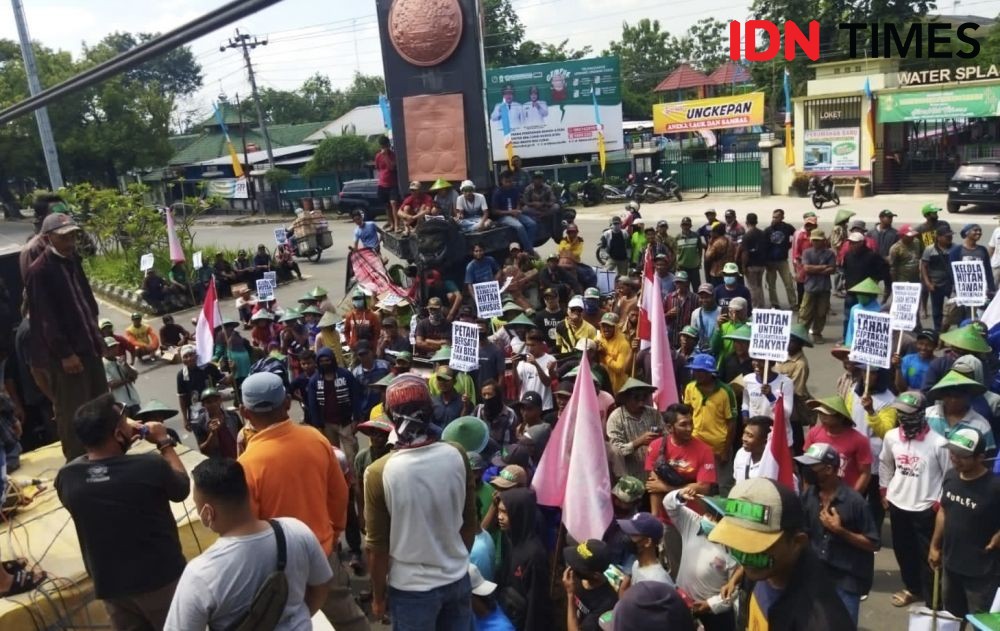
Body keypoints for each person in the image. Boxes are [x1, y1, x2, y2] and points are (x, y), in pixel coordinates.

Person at [237, 372, 369, 630]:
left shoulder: (247, 464)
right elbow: (340, 494)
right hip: (322, 550)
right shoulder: (316, 439)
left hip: (279, 567)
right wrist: (333, 533)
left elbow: (250, 528)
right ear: (287, 403)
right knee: (348, 619)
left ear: (244, 412)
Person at [56, 393, 189, 630]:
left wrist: (121, 437)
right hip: (160, 581)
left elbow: (101, 471)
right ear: (117, 434)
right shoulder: (150, 466)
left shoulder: (67, 478)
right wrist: (164, 441)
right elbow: (181, 488)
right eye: (124, 423)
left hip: (111, 587)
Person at [164, 458, 332, 630]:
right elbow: (321, 587)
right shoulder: (296, 530)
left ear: (208, 513)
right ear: (247, 493)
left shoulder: (200, 574)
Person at [365, 374, 478, 628]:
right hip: (457, 580)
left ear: (391, 417)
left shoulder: (378, 472)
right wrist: (452, 562)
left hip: (411, 592)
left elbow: (377, 549)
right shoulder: (457, 454)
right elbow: (469, 524)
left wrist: (378, 596)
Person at [708, 477, 854, 629]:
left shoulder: (822, 623)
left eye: (756, 546)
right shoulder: (760, 569)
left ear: (797, 542)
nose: (744, 556)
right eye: (738, 540)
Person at [25, 213, 108, 461]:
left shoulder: (73, 260)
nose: (70, 241)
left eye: (72, 235)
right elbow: (45, 318)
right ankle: (77, 461)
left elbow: (86, 304)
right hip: (68, 355)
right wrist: (65, 353)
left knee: (101, 403)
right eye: (64, 237)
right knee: (74, 410)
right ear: (49, 238)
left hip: (89, 346)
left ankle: (108, 452)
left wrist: (98, 338)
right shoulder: (39, 270)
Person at [879, 391, 951, 609]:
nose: (903, 417)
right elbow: (885, 463)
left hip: (925, 507)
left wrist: (938, 503)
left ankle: (933, 600)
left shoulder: (939, 443)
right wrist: (885, 490)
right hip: (898, 503)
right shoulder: (892, 437)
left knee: (928, 556)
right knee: (903, 550)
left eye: (908, 413)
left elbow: (949, 475)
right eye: (900, 412)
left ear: (921, 414)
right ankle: (912, 588)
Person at [796, 443, 880, 626]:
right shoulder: (809, 496)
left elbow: (873, 543)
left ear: (828, 469)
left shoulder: (855, 503)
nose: (807, 470)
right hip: (816, 575)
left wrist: (841, 531)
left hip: (847, 580)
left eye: (812, 466)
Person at [930, 428, 1000, 621]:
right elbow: (944, 511)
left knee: (981, 622)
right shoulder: (951, 476)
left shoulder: (995, 487)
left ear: (980, 457)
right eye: (953, 452)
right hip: (950, 566)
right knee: (951, 618)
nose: (955, 458)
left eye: (963, 455)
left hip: (981, 575)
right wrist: (935, 546)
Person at [644, 403, 716, 578]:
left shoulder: (704, 450)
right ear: (669, 428)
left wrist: (667, 488)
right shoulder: (655, 447)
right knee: (675, 566)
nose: (689, 428)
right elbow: (654, 485)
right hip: (667, 521)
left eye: (690, 423)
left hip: (695, 518)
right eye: (683, 424)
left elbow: (704, 487)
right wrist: (655, 518)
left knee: (698, 567)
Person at [661, 490, 738, 631]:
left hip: (714, 615)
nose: (707, 517)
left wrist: (710, 604)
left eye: (714, 516)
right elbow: (668, 503)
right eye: (708, 512)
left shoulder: (733, 549)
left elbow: (734, 590)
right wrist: (680, 494)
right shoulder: (694, 522)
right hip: (684, 603)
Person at [683, 353, 737, 489]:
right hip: (695, 443)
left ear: (710, 373)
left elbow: (732, 422)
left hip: (718, 448)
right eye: (695, 371)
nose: (696, 374)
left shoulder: (726, 392)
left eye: (701, 371)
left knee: (722, 484)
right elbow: (687, 413)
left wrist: (725, 450)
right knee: (697, 481)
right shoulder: (690, 387)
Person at [804, 396, 873, 493]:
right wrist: (807, 493)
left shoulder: (859, 440)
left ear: (840, 417)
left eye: (827, 413)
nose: (822, 416)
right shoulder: (813, 433)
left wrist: (853, 497)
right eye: (820, 412)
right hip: (818, 493)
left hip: (846, 493)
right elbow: (807, 466)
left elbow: (865, 473)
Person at [606, 378, 661, 480]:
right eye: (636, 398)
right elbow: (616, 452)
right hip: (630, 477)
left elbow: (666, 437)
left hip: (655, 474)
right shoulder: (616, 417)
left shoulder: (653, 414)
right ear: (625, 399)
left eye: (643, 398)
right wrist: (639, 442)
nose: (641, 403)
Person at [561, 539, 618, 631]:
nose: (573, 567)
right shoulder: (576, 579)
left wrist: (570, 595)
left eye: (580, 566)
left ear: (595, 575)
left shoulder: (607, 603)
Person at [742, 358, 795, 445]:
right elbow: (746, 401)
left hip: (778, 436)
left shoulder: (785, 383)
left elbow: (786, 414)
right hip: (756, 437)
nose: (757, 364)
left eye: (762, 361)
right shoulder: (747, 380)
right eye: (754, 360)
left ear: (772, 363)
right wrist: (745, 413)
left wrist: (770, 396)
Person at [176, 345, 227, 431]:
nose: (189, 359)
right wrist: (185, 419)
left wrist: (234, 370)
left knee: (221, 434)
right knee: (203, 439)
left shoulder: (209, 367)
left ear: (196, 355)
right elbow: (182, 398)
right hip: (196, 414)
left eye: (191, 355)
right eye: (185, 357)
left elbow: (224, 381)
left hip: (214, 409)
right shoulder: (181, 375)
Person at [800, 229, 837, 344]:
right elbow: (806, 268)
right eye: (814, 240)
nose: (816, 242)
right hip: (810, 287)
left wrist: (814, 269)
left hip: (824, 288)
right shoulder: (807, 252)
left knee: (821, 313)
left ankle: (817, 333)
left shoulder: (829, 253)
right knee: (805, 312)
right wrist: (822, 267)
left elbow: (832, 269)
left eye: (818, 240)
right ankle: (801, 334)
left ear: (823, 241)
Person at [491, 171, 536, 255]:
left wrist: (517, 211)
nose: (509, 184)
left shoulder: (514, 189)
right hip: (503, 217)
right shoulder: (497, 193)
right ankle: (530, 251)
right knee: (519, 227)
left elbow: (518, 202)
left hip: (515, 213)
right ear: (502, 181)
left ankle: (528, 248)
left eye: (511, 181)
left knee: (532, 224)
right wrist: (510, 212)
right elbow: (494, 211)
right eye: (507, 182)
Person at [191, 387, 242, 459]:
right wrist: (212, 434)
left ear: (220, 400)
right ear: (203, 404)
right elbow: (203, 450)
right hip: (219, 464)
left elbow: (242, 437)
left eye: (216, 400)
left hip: (238, 457)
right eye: (209, 402)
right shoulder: (200, 423)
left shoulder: (233, 416)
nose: (213, 404)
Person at [920, 227, 955, 331]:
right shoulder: (929, 249)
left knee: (956, 309)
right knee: (936, 312)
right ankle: (937, 332)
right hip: (936, 285)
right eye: (947, 236)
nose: (950, 238)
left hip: (952, 285)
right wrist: (927, 283)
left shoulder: (956, 248)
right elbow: (924, 266)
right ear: (938, 237)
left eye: (951, 235)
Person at [762, 209, 798, 309]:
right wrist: (765, 262)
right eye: (773, 217)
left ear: (782, 217)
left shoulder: (787, 227)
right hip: (770, 262)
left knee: (788, 283)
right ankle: (775, 303)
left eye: (777, 217)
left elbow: (796, 235)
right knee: (771, 285)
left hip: (782, 261)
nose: (774, 219)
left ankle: (793, 303)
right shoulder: (768, 230)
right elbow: (763, 247)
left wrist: (790, 245)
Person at [513, 330, 557, 411]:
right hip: (526, 406)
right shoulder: (523, 360)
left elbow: (547, 382)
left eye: (533, 345)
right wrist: (514, 367)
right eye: (528, 345)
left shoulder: (550, 359)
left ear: (541, 344)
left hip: (544, 406)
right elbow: (517, 383)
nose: (530, 348)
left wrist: (536, 364)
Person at [102, 337, 140, 416]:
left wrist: (126, 365)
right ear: (105, 350)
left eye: (115, 346)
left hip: (133, 400)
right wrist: (127, 380)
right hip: (120, 403)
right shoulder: (103, 364)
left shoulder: (120, 360)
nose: (114, 349)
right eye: (111, 348)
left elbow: (135, 374)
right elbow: (111, 384)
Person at [734, 416, 771, 483]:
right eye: (744, 433)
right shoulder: (740, 453)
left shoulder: (773, 463)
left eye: (750, 435)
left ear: (765, 441)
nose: (743, 438)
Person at [375, 135, 400, 233]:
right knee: (387, 206)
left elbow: (392, 168)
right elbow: (378, 168)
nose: (384, 148)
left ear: (388, 145)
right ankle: (392, 224)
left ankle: (397, 225)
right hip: (382, 184)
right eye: (382, 146)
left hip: (392, 184)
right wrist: (382, 155)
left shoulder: (393, 155)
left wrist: (385, 156)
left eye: (386, 145)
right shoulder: (378, 156)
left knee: (393, 203)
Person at [675, 217, 703, 286]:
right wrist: (676, 264)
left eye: (687, 225)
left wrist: (699, 261)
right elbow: (675, 251)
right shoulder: (678, 237)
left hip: (694, 267)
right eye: (684, 225)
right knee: (684, 287)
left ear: (690, 226)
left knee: (696, 287)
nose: (685, 227)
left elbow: (700, 249)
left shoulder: (696, 236)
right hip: (682, 267)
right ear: (681, 226)